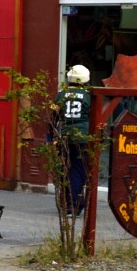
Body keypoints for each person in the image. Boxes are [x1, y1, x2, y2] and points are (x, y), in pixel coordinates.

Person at [52, 64, 93, 217]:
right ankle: (73, 205)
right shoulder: (89, 96)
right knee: (79, 172)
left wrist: (51, 137)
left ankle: (69, 202)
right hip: (83, 138)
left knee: (66, 170)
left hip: (64, 138)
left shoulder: (60, 95)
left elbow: (52, 117)